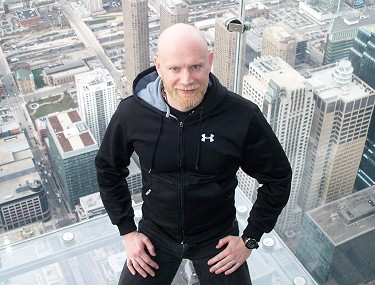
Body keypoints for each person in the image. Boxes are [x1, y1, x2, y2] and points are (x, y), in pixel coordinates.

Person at [95, 23, 292, 285]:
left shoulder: (242, 116)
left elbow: (278, 177)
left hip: (218, 239)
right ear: (158, 66)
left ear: (210, 62)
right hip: (156, 236)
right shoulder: (132, 113)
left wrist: (250, 238)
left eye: (196, 67)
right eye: (175, 68)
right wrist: (128, 232)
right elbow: (108, 168)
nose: (186, 80)